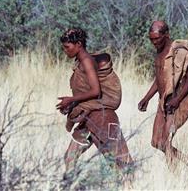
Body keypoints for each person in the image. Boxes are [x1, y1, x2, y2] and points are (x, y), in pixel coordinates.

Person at [56, 28, 132, 182]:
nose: (65, 51)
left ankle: (129, 186)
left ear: (78, 44)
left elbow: (96, 91)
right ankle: (69, 185)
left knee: (120, 164)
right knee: (70, 157)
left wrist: (71, 100)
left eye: (67, 47)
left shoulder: (86, 61)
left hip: (102, 118)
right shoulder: (81, 62)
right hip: (87, 119)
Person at [138, 21, 188, 166]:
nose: (154, 42)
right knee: (156, 142)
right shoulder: (159, 52)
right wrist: (146, 98)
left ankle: (177, 173)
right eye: (151, 39)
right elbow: (160, 79)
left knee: (165, 141)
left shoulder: (178, 53)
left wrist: (177, 100)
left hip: (175, 103)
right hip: (163, 102)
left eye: (157, 39)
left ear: (166, 35)